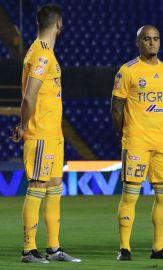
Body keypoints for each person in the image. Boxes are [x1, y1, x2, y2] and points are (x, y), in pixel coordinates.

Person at [11, 4, 81, 263]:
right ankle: (29, 250)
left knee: (53, 187)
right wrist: (22, 126)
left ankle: (54, 248)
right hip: (40, 132)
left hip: (53, 133)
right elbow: (29, 97)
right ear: (59, 24)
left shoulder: (45, 52)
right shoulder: (42, 55)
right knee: (38, 186)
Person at [111, 25, 163, 261]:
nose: (152, 43)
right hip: (136, 142)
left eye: (156, 39)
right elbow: (116, 107)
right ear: (138, 43)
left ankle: (158, 248)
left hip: (162, 142)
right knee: (131, 195)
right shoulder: (127, 71)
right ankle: (124, 248)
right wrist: (124, 133)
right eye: (147, 39)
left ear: (160, 42)